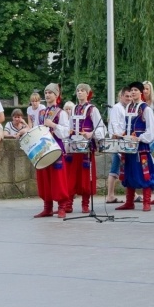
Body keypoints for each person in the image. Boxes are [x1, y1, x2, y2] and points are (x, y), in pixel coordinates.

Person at [115, 81, 154, 211]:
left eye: (135, 90)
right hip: (128, 146)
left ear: (141, 92)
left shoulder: (146, 109)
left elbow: (152, 130)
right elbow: (123, 126)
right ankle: (129, 202)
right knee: (128, 172)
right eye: (131, 90)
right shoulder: (128, 107)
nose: (132, 92)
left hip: (141, 147)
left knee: (144, 172)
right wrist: (119, 134)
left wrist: (139, 138)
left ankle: (147, 202)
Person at [66, 83, 107, 213]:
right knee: (72, 176)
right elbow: (69, 126)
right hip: (74, 147)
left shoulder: (92, 109)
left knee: (86, 176)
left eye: (82, 90)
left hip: (86, 148)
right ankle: (69, 203)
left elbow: (101, 127)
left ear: (88, 93)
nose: (79, 92)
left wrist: (91, 134)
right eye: (78, 90)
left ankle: (85, 204)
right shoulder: (73, 109)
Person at [34, 83, 71, 218]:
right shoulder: (41, 112)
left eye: (50, 92)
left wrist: (53, 125)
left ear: (56, 95)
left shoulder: (61, 113)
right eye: (46, 92)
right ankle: (47, 207)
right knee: (44, 178)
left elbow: (66, 132)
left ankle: (62, 207)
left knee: (58, 179)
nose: (47, 95)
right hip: (44, 149)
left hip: (56, 148)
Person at [105, 87, 131, 203]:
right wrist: (117, 135)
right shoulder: (117, 107)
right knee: (115, 168)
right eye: (126, 96)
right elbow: (115, 124)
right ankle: (110, 195)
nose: (129, 98)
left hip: (125, 140)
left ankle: (132, 193)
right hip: (118, 141)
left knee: (125, 168)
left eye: (130, 96)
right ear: (121, 96)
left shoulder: (128, 108)